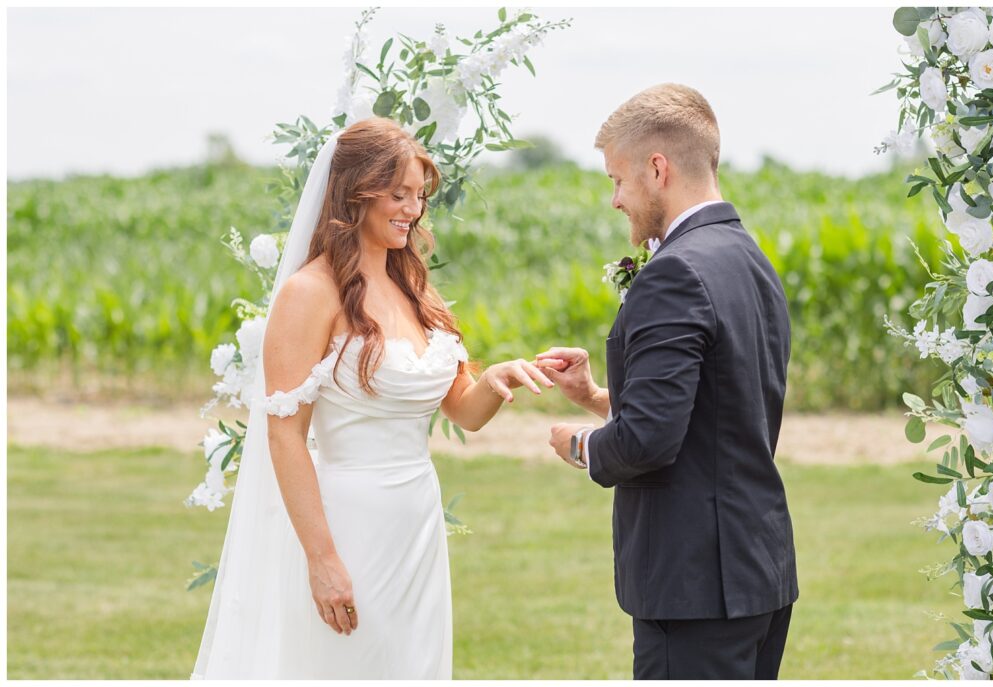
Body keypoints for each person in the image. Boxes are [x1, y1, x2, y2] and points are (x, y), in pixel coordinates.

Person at [192, 117, 553, 679]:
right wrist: (321, 558)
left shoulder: (415, 288)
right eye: (398, 194)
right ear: (355, 194)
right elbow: (284, 433)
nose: (412, 208)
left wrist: (497, 379)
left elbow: (462, 410)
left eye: (418, 196)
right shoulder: (308, 293)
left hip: (417, 521)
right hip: (348, 524)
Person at [537, 83, 799, 680]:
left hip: (695, 585)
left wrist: (577, 444)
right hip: (758, 569)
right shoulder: (750, 258)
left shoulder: (675, 272)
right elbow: (716, 411)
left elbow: (650, 441)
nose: (615, 200)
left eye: (618, 180)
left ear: (658, 169)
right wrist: (598, 398)